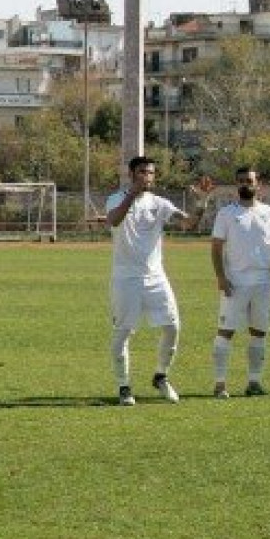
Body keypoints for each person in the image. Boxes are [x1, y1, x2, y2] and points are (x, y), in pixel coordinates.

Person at [105, 155, 205, 406]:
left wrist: (201, 203)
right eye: (141, 172)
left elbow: (189, 224)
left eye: (150, 173)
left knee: (173, 326)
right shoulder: (116, 199)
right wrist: (132, 195)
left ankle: (160, 376)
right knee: (123, 332)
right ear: (131, 175)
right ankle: (124, 386)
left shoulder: (160, 203)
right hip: (126, 278)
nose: (146, 177)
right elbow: (114, 220)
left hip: (155, 277)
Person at [209, 166, 270, 398]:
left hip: (262, 282)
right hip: (235, 282)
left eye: (249, 181)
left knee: (259, 332)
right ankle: (220, 384)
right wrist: (221, 277)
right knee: (225, 332)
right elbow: (216, 248)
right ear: (236, 185)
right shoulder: (226, 213)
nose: (245, 184)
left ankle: (254, 382)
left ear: (258, 184)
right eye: (240, 181)